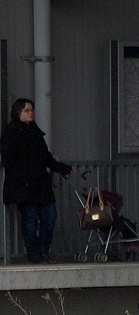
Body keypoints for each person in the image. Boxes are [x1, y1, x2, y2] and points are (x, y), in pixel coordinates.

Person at [0, 98, 72, 263]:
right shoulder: (10, 134)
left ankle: (43, 251)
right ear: (18, 113)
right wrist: (22, 178)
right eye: (26, 110)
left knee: (50, 217)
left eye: (31, 110)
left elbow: (46, 157)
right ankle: (34, 253)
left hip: (40, 184)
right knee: (30, 219)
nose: (30, 113)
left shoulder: (35, 133)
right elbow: (9, 161)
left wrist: (62, 168)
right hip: (24, 186)